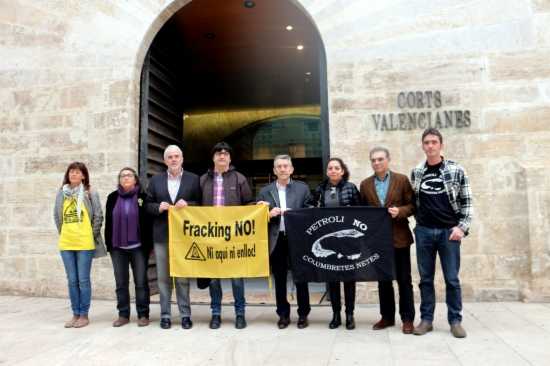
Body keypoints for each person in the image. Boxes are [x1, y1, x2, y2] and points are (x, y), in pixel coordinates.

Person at [411, 128, 473, 338]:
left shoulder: (456, 170)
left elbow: (467, 202)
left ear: (441, 145)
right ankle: (426, 320)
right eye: (426, 142)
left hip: (449, 233)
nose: (430, 146)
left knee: (452, 279)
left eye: (434, 142)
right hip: (424, 232)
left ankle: (455, 321)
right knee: (425, 279)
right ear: (422, 145)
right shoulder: (417, 171)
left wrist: (461, 228)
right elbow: (415, 201)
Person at [359, 147, 415, 334]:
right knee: (383, 280)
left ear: (388, 160)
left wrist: (400, 211)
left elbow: (412, 205)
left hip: (400, 237)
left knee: (404, 280)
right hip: (377, 241)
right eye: (373, 160)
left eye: (380, 159)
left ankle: (407, 319)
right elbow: (362, 213)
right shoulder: (365, 185)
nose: (377, 163)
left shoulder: (401, 180)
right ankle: (387, 317)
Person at [145, 145, 201, 330]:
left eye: (177, 156)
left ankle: (185, 315)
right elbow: (147, 205)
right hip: (161, 236)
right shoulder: (155, 180)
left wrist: (189, 204)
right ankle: (165, 315)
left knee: (183, 278)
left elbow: (201, 205)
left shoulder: (194, 179)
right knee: (163, 278)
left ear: (182, 158)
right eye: (170, 157)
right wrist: (157, 207)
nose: (174, 159)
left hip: (185, 237)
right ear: (165, 160)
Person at [200, 142, 253, 329]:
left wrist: (258, 209)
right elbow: (195, 208)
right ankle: (216, 313)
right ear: (213, 158)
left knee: (237, 278)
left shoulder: (239, 179)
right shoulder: (203, 180)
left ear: (230, 158)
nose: (222, 157)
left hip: (234, 238)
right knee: (214, 278)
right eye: (218, 154)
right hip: (211, 237)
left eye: (225, 154)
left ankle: (240, 313)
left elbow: (249, 203)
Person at [256, 154, 312, 329]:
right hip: (276, 239)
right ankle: (283, 314)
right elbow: (257, 216)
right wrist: (267, 214)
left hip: (297, 238)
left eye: (285, 166)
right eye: (279, 166)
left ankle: (303, 314)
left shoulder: (303, 189)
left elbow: (310, 211)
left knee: (301, 277)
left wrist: (295, 213)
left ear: (292, 169)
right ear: (274, 170)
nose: (282, 169)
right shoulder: (265, 190)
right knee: (279, 278)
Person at [53, 161, 106, 328]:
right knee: (72, 280)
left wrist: (91, 234)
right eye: (71, 172)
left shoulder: (90, 193)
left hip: (85, 243)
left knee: (83, 280)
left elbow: (98, 215)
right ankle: (75, 314)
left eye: (77, 172)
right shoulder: (62, 193)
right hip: (67, 242)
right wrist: (65, 232)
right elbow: (57, 215)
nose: (74, 174)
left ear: (83, 175)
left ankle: (84, 315)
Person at [311, 157, 361, 329]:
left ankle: (349, 314)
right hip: (329, 240)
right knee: (332, 277)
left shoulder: (351, 188)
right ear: (327, 171)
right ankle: (336, 315)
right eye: (330, 168)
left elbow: (360, 211)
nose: (333, 170)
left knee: (349, 278)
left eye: (336, 168)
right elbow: (311, 209)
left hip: (347, 239)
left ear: (342, 171)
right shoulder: (320, 189)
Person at [104, 167, 153, 327]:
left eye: (129, 175)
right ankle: (123, 314)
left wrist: (149, 245)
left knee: (140, 282)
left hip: (138, 247)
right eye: (122, 176)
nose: (125, 178)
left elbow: (148, 223)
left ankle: (143, 314)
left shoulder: (143, 197)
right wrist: (109, 245)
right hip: (118, 248)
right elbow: (108, 223)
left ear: (135, 179)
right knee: (121, 282)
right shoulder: (112, 197)